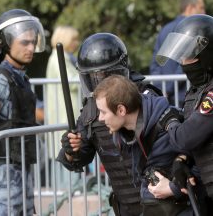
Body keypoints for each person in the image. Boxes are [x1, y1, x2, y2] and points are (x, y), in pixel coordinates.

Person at [56, 32, 191, 216]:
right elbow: (78, 158)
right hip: (126, 206)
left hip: (161, 203)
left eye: (104, 76)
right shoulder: (90, 111)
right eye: (93, 78)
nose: (100, 83)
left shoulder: (144, 100)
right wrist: (72, 150)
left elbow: (182, 149)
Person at [93, 74, 213, 216]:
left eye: (103, 112)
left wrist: (173, 188)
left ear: (121, 110)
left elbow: (204, 165)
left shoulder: (168, 127)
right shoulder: (125, 133)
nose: (100, 118)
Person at [155, 14, 213, 214]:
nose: (182, 62)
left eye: (187, 54)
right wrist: (181, 160)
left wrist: (170, 122)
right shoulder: (197, 91)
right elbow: (194, 144)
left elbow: (186, 137)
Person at [0, 9, 46, 215]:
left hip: (21, 170)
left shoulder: (20, 78)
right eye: (25, 42)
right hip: (2, 175)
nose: (31, 47)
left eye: (33, 42)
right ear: (4, 43)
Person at [149, 0, 205, 107]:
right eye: (201, 8)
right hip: (185, 96)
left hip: (165, 97)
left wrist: (162, 90)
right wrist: (169, 89)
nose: (204, 12)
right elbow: (187, 62)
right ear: (190, 8)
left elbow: (156, 64)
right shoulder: (191, 29)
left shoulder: (165, 29)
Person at [46, 25, 80, 124]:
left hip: (66, 110)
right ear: (65, 39)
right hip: (63, 112)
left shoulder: (67, 57)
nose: (77, 43)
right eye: (74, 39)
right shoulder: (58, 57)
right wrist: (87, 75)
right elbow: (71, 82)